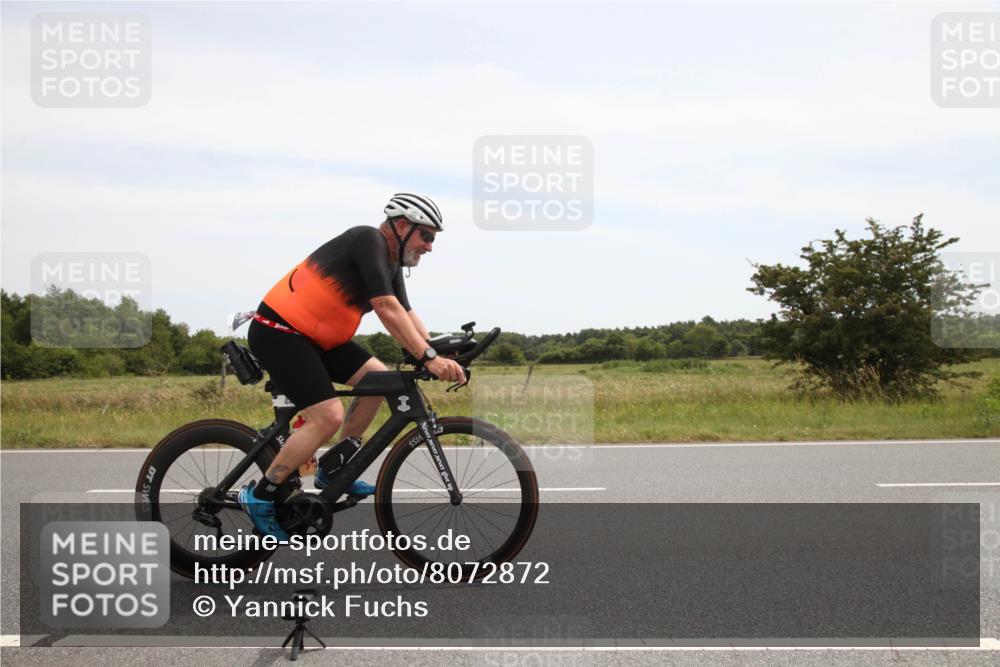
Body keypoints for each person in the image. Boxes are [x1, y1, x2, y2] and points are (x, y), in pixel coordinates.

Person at [239, 193, 466, 539]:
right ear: (401, 226)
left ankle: (334, 468)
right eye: (426, 236)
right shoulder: (367, 239)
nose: (430, 247)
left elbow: (405, 311)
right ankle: (261, 495)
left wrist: (437, 351)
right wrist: (428, 357)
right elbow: (385, 307)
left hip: (317, 339)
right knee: (326, 416)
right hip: (280, 331)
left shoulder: (391, 262)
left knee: (378, 380)